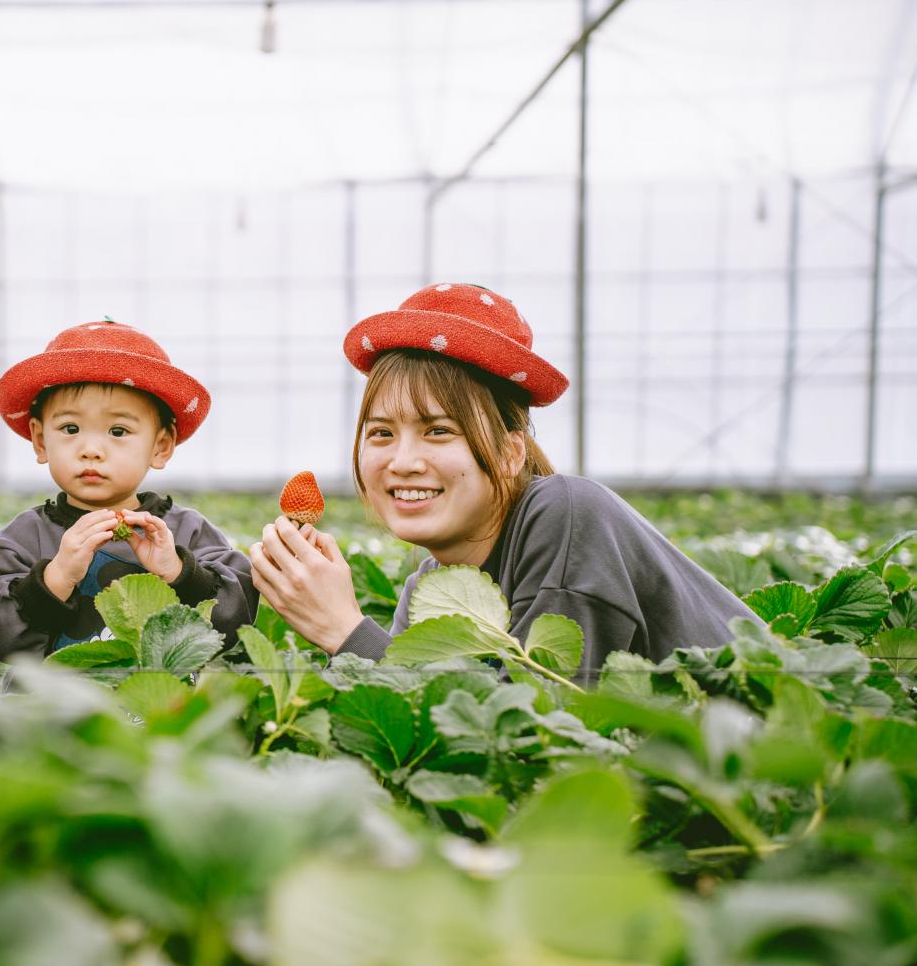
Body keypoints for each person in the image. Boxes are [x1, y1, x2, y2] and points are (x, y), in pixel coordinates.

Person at [249, 282, 756, 681]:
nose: (402, 461)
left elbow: (539, 728)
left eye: (438, 431)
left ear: (511, 452)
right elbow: (442, 727)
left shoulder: (569, 514)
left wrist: (345, 630)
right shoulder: (429, 591)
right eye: (381, 432)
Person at [0, 321, 256, 658]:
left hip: (167, 706)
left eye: (118, 431)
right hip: (49, 708)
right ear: (41, 440)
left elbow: (235, 621)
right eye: (70, 428)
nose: (91, 449)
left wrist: (178, 572)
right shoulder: (22, 539)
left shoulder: (188, 533)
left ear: (161, 446)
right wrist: (56, 577)